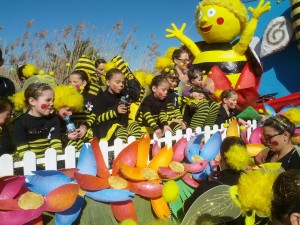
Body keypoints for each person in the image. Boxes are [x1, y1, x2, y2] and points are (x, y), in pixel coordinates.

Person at [184, 136, 250, 213]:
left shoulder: (206, 188)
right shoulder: (253, 183)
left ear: (222, 159)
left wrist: (210, 184)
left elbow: (187, 209)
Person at [92, 68, 142, 144]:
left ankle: (136, 150)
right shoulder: (101, 98)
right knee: (122, 132)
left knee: (136, 127)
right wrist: (115, 111)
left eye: (123, 82)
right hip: (107, 127)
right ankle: (117, 154)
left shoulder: (124, 94)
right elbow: (98, 118)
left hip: (123, 124)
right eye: (117, 82)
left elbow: (137, 94)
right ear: (108, 82)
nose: (121, 85)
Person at [13, 83, 63, 159]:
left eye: (53, 100)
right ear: (32, 101)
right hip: (27, 164)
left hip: (50, 161)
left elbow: (56, 145)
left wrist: (55, 162)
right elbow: (23, 150)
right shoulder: (20, 123)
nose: (52, 103)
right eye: (48, 100)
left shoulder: (54, 119)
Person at [68, 69, 96, 143]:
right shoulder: (66, 97)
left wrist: (85, 126)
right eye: (69, 82)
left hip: (87, 131)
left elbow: (94, 114)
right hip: (71, 131)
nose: (71, 84)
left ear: (83, 83)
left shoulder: (90, 98)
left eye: (75, 82)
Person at [53, 85, 85, 151]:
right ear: (58, 107)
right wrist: (67, 137)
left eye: (73, 110)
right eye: (68, 110)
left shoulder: (69, 119)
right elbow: (53, 137)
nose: (71, 113)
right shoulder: (52, 120)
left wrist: (82, 127)